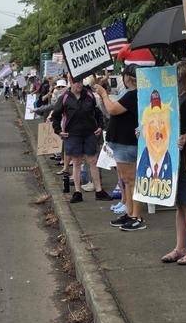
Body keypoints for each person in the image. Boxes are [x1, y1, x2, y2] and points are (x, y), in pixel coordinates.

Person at [95, 64, 146, 231]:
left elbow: (112, 109)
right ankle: (129, 212)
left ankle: (136, 216)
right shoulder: (129, 94)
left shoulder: (134, 94)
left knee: (132, 181)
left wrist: (103, 94)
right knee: (126, 181)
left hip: (127, 143)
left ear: (128, 78)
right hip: (121, 143)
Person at [161, 61, 186, 264]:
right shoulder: (175, 99)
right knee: (180, 206)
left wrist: (184, 137)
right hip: (173, 160)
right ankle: (181, 247)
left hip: (185, 160)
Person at [52, 77, 111, 203]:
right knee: (77, 162)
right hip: (73, 134)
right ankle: (78, 193)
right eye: (76, 82)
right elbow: (55, 116)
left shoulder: (89, 95)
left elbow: (97, 112)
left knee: (93, 161)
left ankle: (99, 191)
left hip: (89, 133)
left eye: (81, 82)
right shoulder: (65, 98)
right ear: (71, 83)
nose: (79, 85)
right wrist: (58, 131)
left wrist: (100, 126)